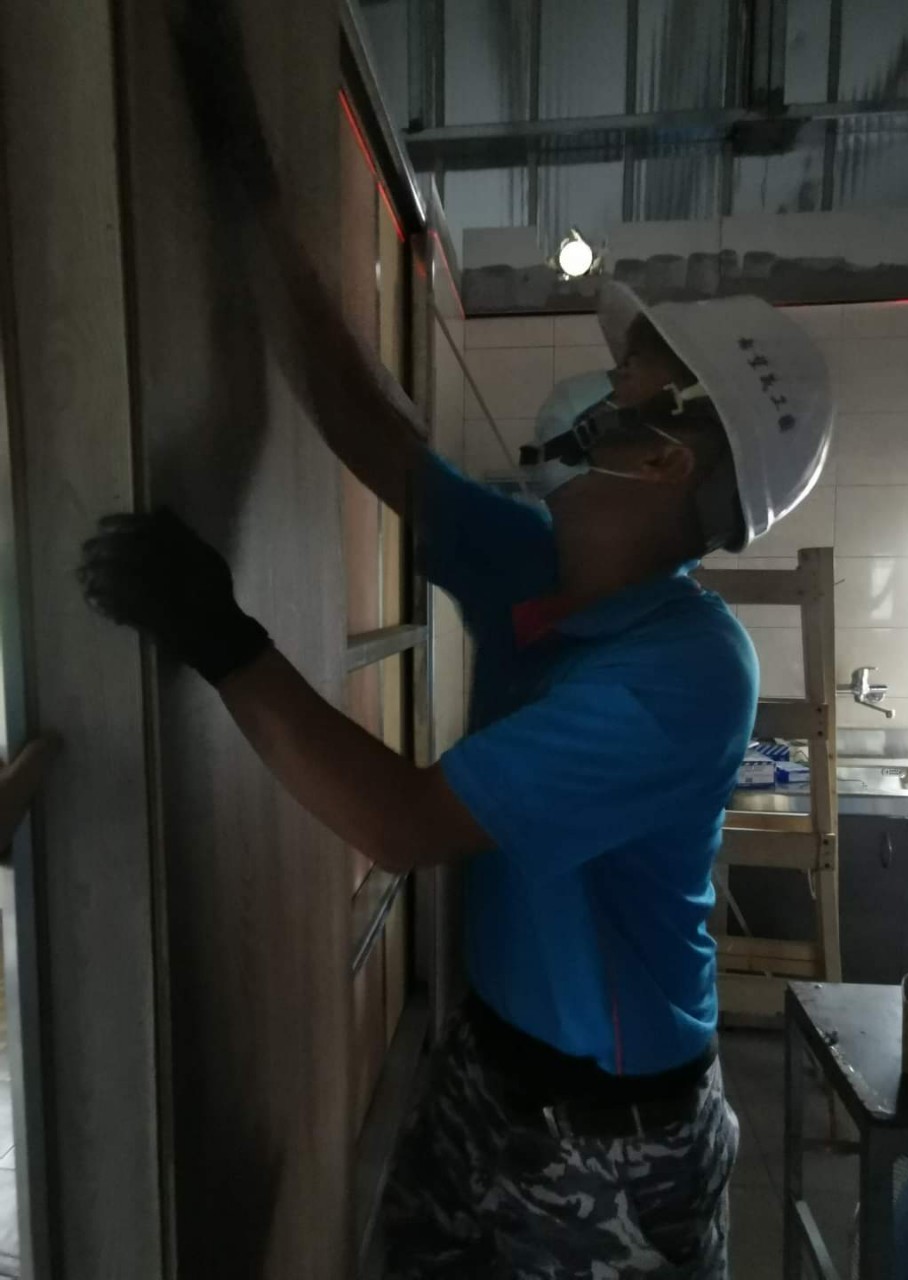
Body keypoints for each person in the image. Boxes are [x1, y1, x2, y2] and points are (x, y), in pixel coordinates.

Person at [79, 7, 834, 1275]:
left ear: (664, 457)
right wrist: (248, 177)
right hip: (491, 1075)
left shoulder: (687, 672)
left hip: (611, 1146)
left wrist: (219, 632)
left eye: (632, 382)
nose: (601, 388)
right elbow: (366, 426)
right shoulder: (541, 560)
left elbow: (405, 823)